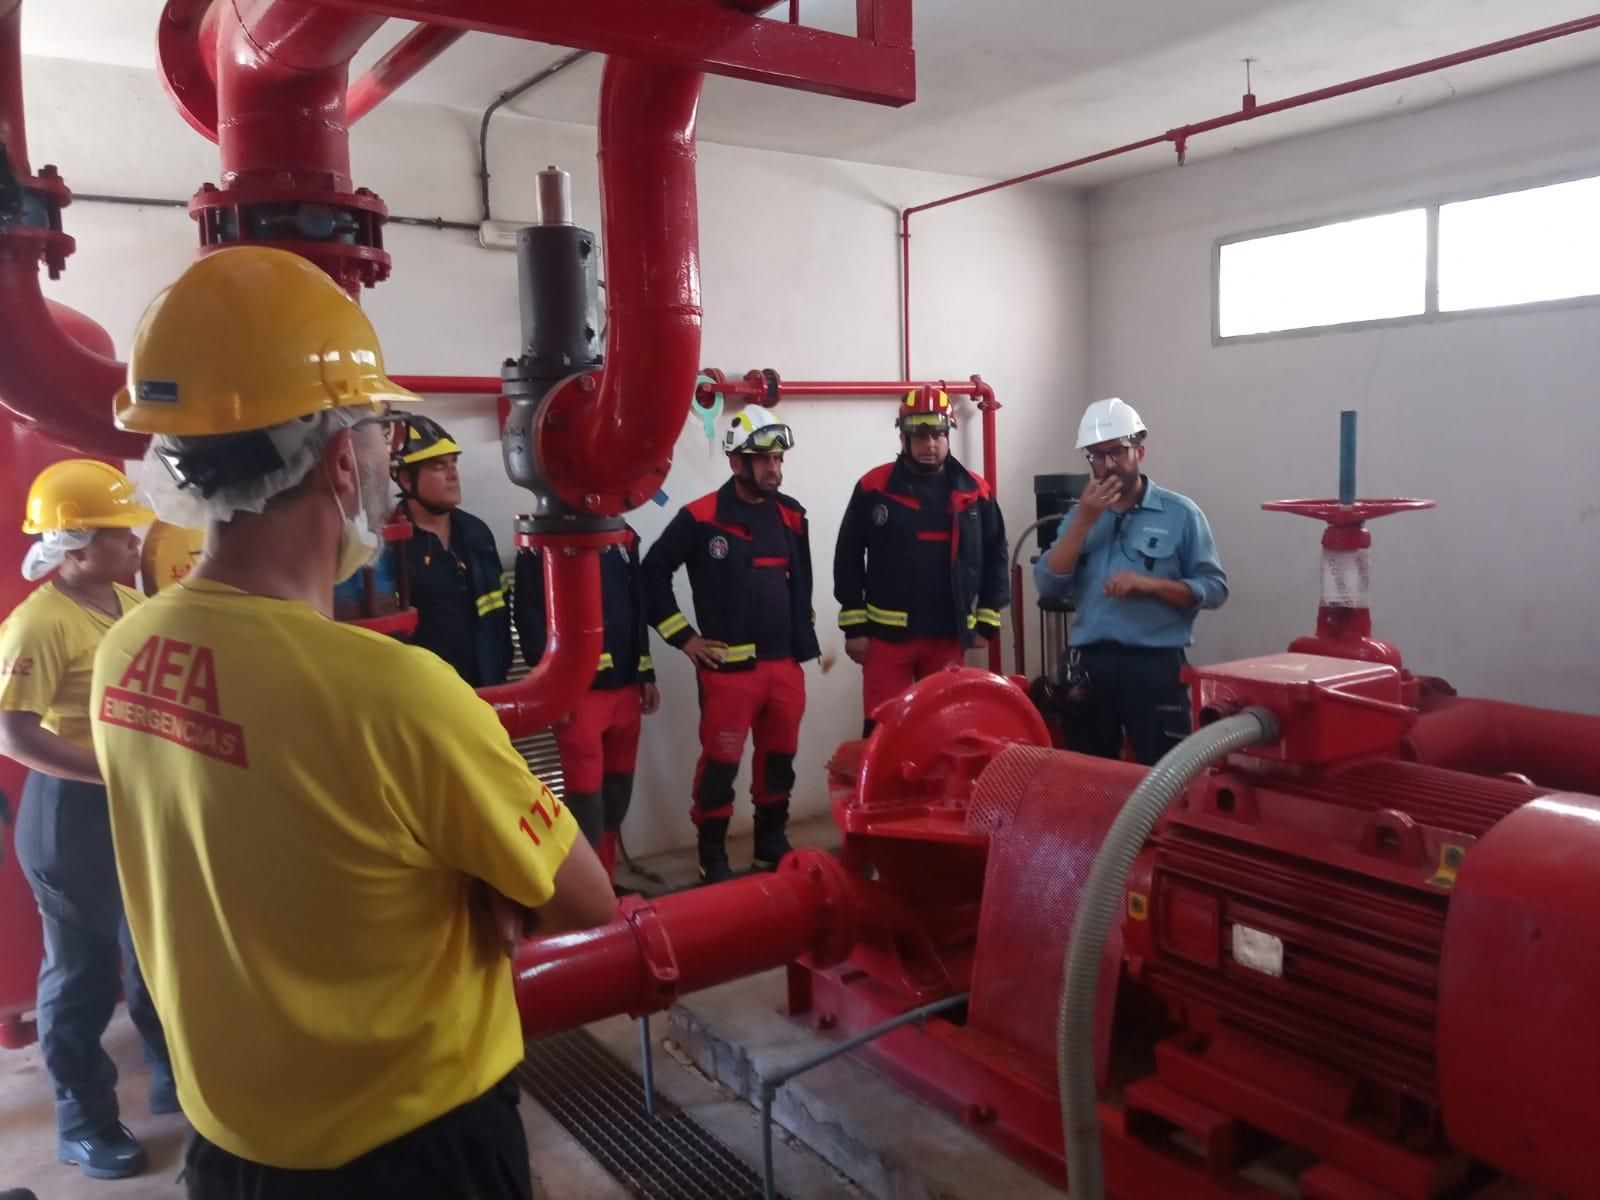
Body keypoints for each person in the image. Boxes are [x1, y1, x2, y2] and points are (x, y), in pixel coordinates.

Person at [90, 246, 615, 1200]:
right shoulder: (394, 691)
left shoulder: (127, 651)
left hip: (229, 1146)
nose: (385, 456)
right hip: (412, 1147)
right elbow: (583, 899)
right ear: (341, 462)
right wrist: (477, 880)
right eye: (378, 431)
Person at [0, 460, 175, 1182]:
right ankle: (83, 1121)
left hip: (130, 800)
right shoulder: (37, 623)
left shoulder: (129, 603)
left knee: (151, 944)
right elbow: (10, 732)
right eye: (116, 533)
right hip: (70, 811)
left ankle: (170, 1072)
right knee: (79, 972)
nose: (135, 540)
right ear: (72, 547)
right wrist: (109, 772)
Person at [642, 409, 817, 883]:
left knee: (778, 762)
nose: (773, 469)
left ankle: (770, 844)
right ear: (737, 462)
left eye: (778, 458)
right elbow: (651, 574)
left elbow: (801, 583)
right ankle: (713, 856)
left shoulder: (792, 515)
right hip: (728, 675)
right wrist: (684, 637)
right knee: (720, 768)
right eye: (762, 460)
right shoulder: (700, 518)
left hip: (784, 668)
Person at [1033, 397, 1227, 765]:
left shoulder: (1181, 514)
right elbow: (1048, 584)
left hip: (1154, 668)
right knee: (1088, 778)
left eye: (1116, 452)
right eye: (1095, 456)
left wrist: (1151, 586)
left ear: (1140, 450)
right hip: (1089, 669)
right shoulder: (1081, 515)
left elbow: (1215, 589)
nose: (1106, 466)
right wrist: (1084, 522)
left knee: (1165, 777)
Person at [834, 387, 1010, 733]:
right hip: (886, 639)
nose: (930, 444)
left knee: (943, 730)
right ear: (903, 436)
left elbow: (995, 555)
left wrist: (987, 621)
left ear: (948, 435)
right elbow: (848, 555)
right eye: (920, 435)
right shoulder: (874, 487)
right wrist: (854, 628)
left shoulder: (975, 491)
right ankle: (883, 790)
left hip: (947, 636)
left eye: (938, 434)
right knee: (883, 729)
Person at [514, 523, 659, 889]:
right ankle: (587, 889)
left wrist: (646, 672)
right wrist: (552, 690)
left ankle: (605, 882)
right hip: (579, 694)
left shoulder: (625, 536)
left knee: (616, 793)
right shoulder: (544, 538)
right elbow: (529, 615)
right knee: (586, 800)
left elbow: (636, 605)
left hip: (627, 688)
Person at [390, 415, 513, 686]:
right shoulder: (388, 543)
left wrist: (499, 671)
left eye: (453, 463)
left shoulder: (476, 533)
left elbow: (500, 610)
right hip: (424, 696)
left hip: (485, 689)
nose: (452, 474)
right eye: (438, 466)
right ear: (407, 480)